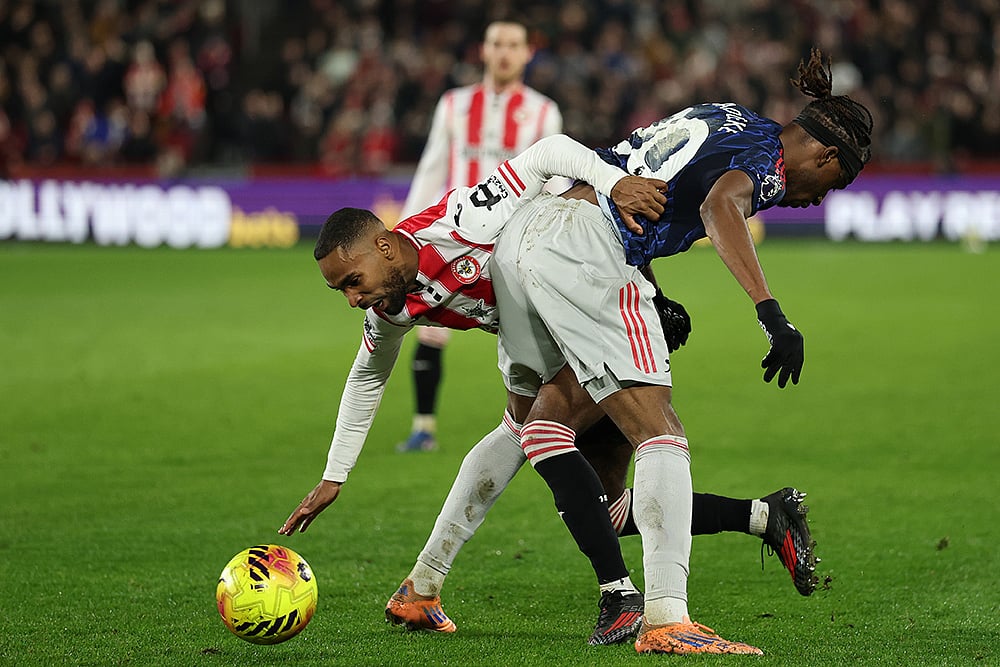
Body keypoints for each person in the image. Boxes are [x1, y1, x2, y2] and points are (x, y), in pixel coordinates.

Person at [278, 133, 816, 645]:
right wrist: (334, 476)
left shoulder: (463, 220)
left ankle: (630, 600)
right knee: (601, 502)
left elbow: (548, 152)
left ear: (383, 245)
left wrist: (612, 181)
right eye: (341, 290)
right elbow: (367, 376)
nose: (353, 299)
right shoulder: (391, 306)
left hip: (597, 294)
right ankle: (765, 517)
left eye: (352, 281)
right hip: (545, 336)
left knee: (540, 434)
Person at [485, 48, 873, 655]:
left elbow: (642, 172)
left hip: (570, 234)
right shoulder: (764, 161)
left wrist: (654, 291)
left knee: (568, 451)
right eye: (834, 182)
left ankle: (443, 585)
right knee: (630, 436)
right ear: (825, 156)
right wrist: (772, 314)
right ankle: (664, 612)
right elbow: (720, 206)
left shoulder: (731, 116)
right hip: (586, 259)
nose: (818, 199)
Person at [396, 20, 563, 453]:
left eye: (513, 45)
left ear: (527, 53)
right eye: (496, 44)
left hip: (515, 238)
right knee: (428, 325)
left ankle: (542, 426)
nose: (504, 52)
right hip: (455, 235)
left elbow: (554, 180)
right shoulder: (454, 105)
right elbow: (432, 167)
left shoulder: (544, 112)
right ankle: (423, 426)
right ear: (483, 51)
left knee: (531, 333)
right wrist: (403, 232)